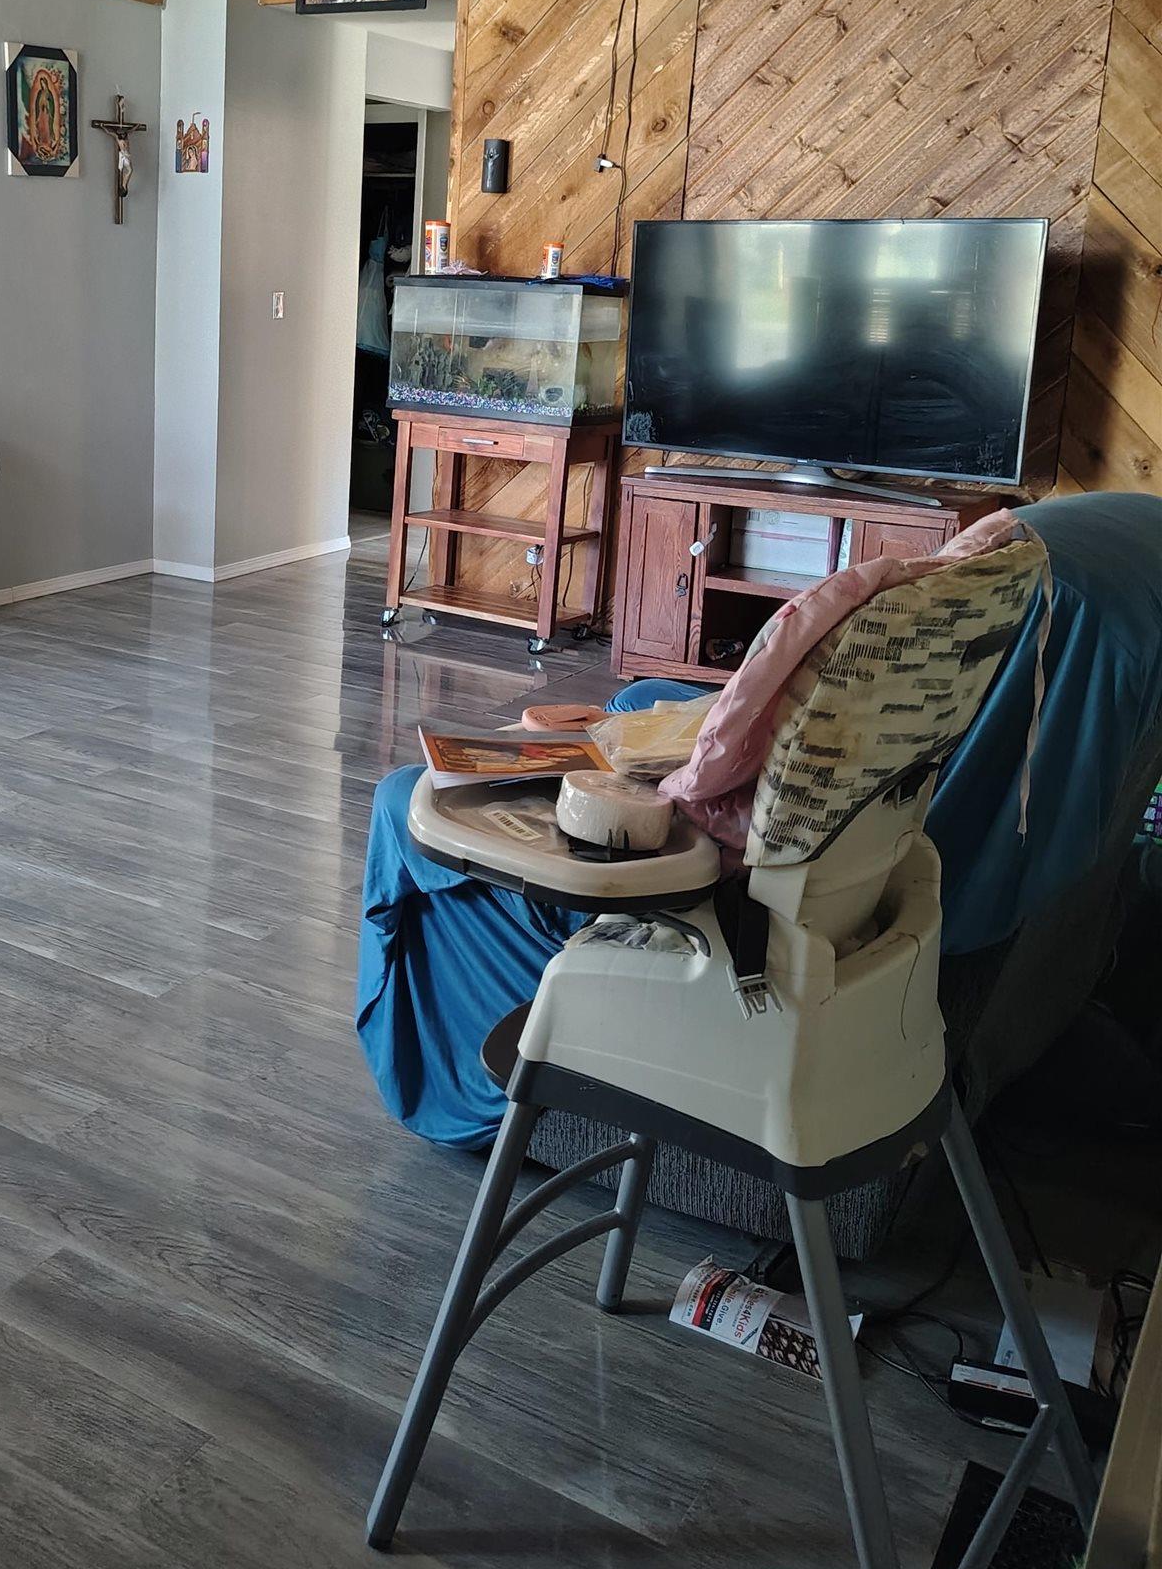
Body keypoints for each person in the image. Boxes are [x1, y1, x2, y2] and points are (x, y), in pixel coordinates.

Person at [357, 493, 1162, 1151]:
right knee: (636, 701)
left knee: (404, 800)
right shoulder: (1028, 645)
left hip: (735, 932)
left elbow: (724, 834)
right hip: (831, 852)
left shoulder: (973, 639)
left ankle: (455, 1088)